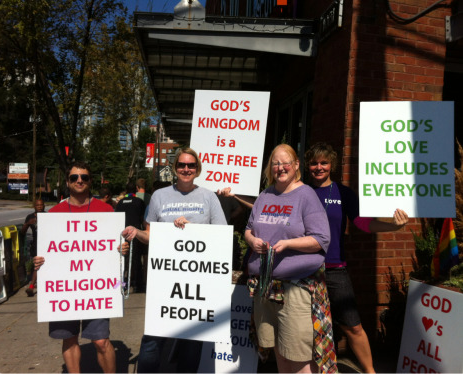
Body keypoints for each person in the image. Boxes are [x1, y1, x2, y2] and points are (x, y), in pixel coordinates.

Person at [304, 142, 409, 373]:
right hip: (304, 268)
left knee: (353, 326)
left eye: (324, 162)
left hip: (335, 269)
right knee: (306, 329)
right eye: (314, 163)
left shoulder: (343, 193)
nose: (318, 167)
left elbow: (362, 222)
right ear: (307, 165)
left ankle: (370, 371)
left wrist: (394, 226)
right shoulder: (300, 191)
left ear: (331, 165)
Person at [122, 147, 227, 373]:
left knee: (191, 341)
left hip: (198, 281)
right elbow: (150, 235)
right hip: (165, 280)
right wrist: (135, 232)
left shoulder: (209, 197)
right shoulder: (160, 196)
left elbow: (220, 238)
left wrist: (192, 232)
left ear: (197, 169)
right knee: (152, 341)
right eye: (181, 165)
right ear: (175, 168)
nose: (186, 169)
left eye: (190, 165)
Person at [244, 144, 336, 373]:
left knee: (299, 356)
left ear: (296, 165)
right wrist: (251, 240)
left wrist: (288, 244)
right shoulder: (265, 195)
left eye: (286, 163)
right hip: (266, 287)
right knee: (279, 353)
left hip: (295, 289)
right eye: (275, 163)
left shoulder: (306, 195)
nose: (280, 167)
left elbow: (321, 239)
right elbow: (248, 228)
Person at [33, 161, 116, 373]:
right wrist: (39, 263)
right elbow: (46, 252)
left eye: (84, 177)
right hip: (64, 288)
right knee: (69, 340)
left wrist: (121, 249)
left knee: (101, 341)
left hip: (97, 287)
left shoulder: (106, 211)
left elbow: (114, 248)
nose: (79, 181)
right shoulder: (54, 215)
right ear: (67, 182)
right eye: (74, 177)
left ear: (90, 181)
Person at [115, 182, 146, 293]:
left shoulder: (120, 202)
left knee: (123, 260)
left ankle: (122, 284)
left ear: (126, 190)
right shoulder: (139, 202)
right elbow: (143, 218)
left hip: (123, 234)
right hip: (135, 233)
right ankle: (138, 286)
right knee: (136, 260)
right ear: (136, 189)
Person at [21, 198, 45, 297]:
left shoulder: (47, 216)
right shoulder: (30, 217)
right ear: (34, 206)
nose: (39, 207)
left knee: (38, 265)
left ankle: (32, 286)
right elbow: (22, 232)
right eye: (37, 205)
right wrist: (27, 224)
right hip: (36, 244)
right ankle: (31, 287)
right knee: (37, 265)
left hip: (47, 244)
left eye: (41, 205)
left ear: (44, 206)